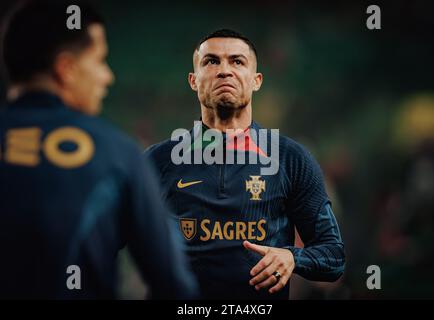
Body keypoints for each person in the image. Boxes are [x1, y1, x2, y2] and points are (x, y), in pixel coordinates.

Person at [0, 1, 197, 299]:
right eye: (100, 60)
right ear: (66, 69)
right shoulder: (117, 153)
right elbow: (173, 283)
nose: (107, 76)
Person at [145, 29, 345, 299]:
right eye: (211, 61)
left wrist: (292, 258)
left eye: (237, 61)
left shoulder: (291, 159)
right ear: (193, 80)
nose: (224, 70)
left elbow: (333, 255)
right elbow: (106, 237)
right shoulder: (157, 161)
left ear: (256, 80)